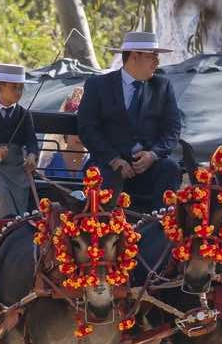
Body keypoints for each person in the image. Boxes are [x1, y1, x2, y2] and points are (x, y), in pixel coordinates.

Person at [76, 31, 182, 212]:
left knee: (170, 168)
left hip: (148, 167)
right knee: (101, 176)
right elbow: (87, 128)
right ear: (134, 56)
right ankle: (101, 233)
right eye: (152, 56)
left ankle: (161, 229)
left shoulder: (162, 87)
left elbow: (172, 129)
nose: (157, 62)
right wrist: (114, 160)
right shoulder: (98, 85)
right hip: (108, 164)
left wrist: (152, 155)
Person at [0, 63, 39, 221]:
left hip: (16, 168)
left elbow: (31, 139)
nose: (18, 92)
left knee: (20, 196)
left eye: (20, 88)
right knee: (1, 193)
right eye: (14, 88)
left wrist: (32, 155)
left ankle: (17, 225)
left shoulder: (24, 115)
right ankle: (1, 225)